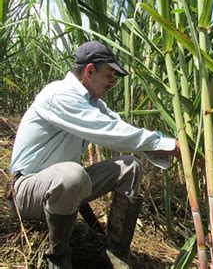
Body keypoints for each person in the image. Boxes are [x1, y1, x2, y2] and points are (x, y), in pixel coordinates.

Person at [6, 41, 179, 269]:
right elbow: (109, 131)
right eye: (109, 74)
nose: (113, 81)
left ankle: (115, 255)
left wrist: (170, 147)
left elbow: (118, 125)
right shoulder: (60, 95)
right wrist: (166, 144)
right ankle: (58, 260)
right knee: (72, 174)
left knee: (130, 167)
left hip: (60, 188)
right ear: (90, 70)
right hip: (27, 191)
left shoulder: (93, 103)